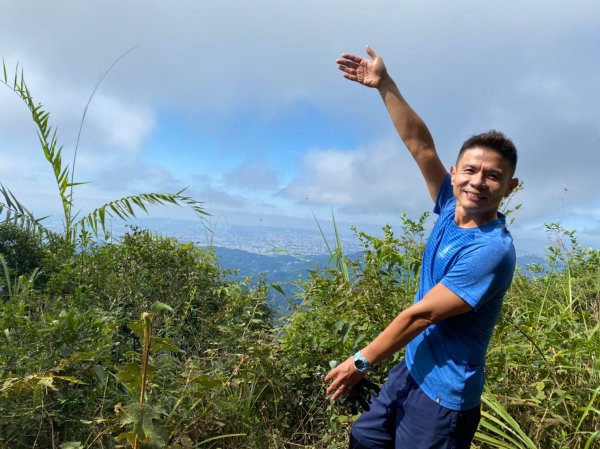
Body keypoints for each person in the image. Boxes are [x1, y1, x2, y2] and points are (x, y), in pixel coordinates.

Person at [324, 46, 520, 449]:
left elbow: (421, 315)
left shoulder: (492, 250)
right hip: (413, 367)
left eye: (493, 176)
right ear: (454, 173)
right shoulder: (450, 205)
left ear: (509, 188)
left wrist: (360, 362)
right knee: (365, 438)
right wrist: (384, 84)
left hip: (444, 398)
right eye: (470, 170)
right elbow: (421, 146)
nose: (478, 182)